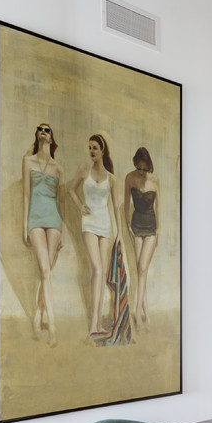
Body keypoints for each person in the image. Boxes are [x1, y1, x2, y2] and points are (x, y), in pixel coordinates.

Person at [68, 134, 122, 337]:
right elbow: (71, 190)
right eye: (89, 147)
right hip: (89, 224)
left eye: (95, 148)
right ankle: (93, 325)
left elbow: (115, 208)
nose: (91, 151)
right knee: (97, 270)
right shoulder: (84, 169)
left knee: (101, 273)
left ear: (102, 151)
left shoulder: (112, 178)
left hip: (105, 226)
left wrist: (119, 234)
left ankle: (98, 324)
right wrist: (80, 206)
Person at [22, 123, 65, 347]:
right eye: (40, 128)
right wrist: (24, 225)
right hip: (36, 219)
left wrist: (63, 229)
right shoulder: (28, 161)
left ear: (51, 137)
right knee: (45, 270)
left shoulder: (58, 168)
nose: (43, 131)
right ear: (36, 134)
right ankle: (53, 325)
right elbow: (26, 195)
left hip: (54, 220)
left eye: (47, 129)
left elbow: (60, 201)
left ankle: (38, 314)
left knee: (46, 272)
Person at [123, 146, 160, 327]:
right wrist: (127, 225)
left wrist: (159, 229)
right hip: (136, 226)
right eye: (139, 168)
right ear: (135, 164)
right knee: (140, 270)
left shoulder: (154, 180)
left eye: (145, 169)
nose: (142, 172)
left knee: (143, 267)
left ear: (149, 167)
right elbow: (125, 205)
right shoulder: (129, 178)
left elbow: (158, 206)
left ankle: (137, 311)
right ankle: (145, 310)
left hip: (151, 227)